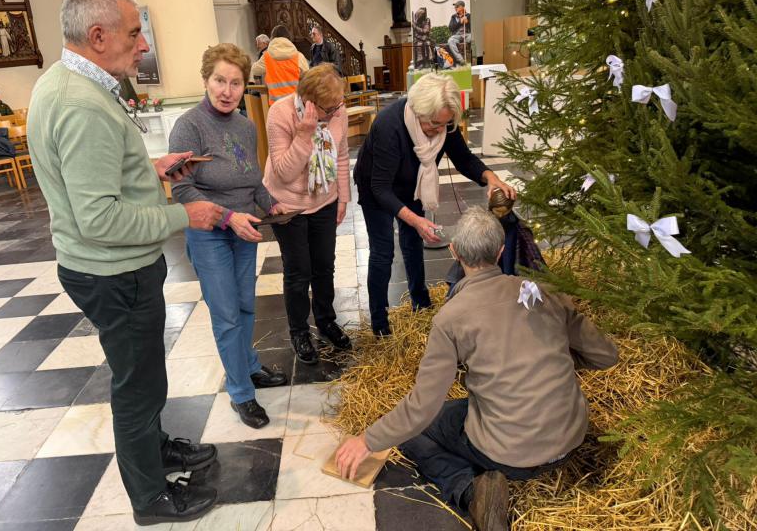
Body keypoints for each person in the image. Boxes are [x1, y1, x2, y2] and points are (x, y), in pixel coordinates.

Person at [27, 0, 223, 526]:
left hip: (110, 268)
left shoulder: (66, 82)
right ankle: (150, 498)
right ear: (97, 36)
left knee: (144, 375)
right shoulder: (81, 104)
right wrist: (186, 214)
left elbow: (90, 179)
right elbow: (100, 218)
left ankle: (154, 449)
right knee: (137, 387)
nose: (143, 45)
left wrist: (149, 170)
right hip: (113, 272)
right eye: (135, 33)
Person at [336, 207, 619, 531]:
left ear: (454, 252)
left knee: (416, 433)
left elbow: (422, 407)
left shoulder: (452, 318)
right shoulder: (543, 293)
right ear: (500, 252)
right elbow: (606, 356)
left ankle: (471, 492)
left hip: (510, 455)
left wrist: (368, 440)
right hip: (570, 439)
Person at [169, 42, 289, 429]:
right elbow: (182, 191)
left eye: (235, 83)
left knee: (245, 306)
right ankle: (240, 392)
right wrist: (228, 217)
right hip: (210, 234)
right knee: (226, 315)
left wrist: (270, 204)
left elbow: (252, 179)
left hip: (244, 230)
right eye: (220, 80)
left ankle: (249, 365)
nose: (227, 90)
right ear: (206, 80)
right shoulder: (189, 126)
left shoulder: (246, 125)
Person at [352, 73, 516, 336]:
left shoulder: (444, 122)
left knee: (413, 241)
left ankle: (420, 300)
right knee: (383, 252)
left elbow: (463, 158)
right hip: (376, 188)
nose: (440, 130)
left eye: (445, 124)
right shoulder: (389, 125)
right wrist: (416, 220)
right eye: (434, 124)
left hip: (413, 184)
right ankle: (379, 322)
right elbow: (380, 189)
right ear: (418, 111)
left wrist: (490, 178)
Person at [262, 63, 352, 364]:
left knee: (324, 265)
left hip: (324, 200)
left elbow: (341, 155)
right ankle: (299, 331)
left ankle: (326, 321)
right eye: (329, 107)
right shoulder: (280, 113)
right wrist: (304, 134)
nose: (336, 111)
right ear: (309, 103)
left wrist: (342, 198)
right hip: (287, 204)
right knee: (299, 271)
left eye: (338, 105)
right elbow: (284, 172)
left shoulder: (338, 111)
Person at [250, 25, 309, 105]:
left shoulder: (266, 57)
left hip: (276, 104)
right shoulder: (299, 56)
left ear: (272, 38)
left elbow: (254, 70)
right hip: (296, 103)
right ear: (288, 38)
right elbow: (308, 79)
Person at [447, 1, 472, 65]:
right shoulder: (453, 17)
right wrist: (460, 22)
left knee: (472, 37)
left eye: (457, 7)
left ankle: (472, 58)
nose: (455, 8)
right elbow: (451, 28)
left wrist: (468, 22)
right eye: (455, 7)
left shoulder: (468, 15)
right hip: (457, 36)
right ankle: (461, 60)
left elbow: (473, 28)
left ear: (462, 7)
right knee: (450, 40)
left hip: (467, 35)